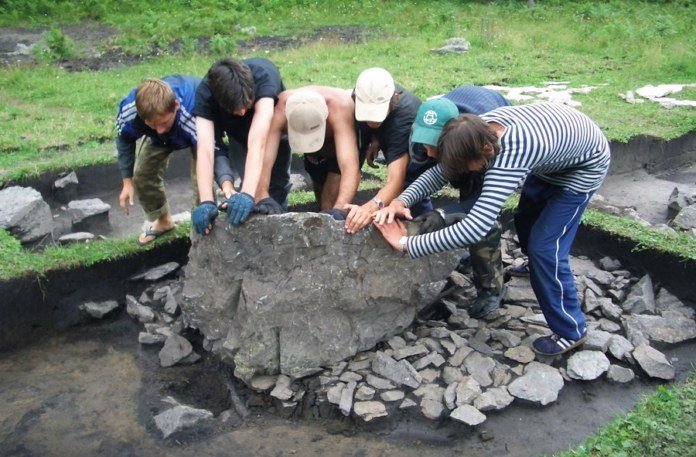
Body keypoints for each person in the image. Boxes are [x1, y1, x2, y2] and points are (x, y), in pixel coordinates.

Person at [374, 102, 611, 356]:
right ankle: (537, 267)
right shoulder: (471, 133)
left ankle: (570, 330)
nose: (462, 173)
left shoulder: (512, 155)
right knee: (526, 220)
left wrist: (407, 244)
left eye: (465, 167)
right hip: (553, 159)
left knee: (546, 247)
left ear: (487, 150)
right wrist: (401, 201)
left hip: (582, 167)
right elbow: (440, 173)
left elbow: (476, 226)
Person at [372, 87, 511, 318]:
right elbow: (423, 177)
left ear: (449, 139)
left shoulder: (482, 143)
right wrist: (401, 204)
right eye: (424, 143)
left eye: (434, 145)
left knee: (475, 219)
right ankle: (449, 251)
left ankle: (491, 288)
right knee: (432, 207)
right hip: (460, 139)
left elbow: (479, 213)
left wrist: (440, 218)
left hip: (480, 152)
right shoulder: (422, 137)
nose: (428, 151)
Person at [190, 57, 291, 235]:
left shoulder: (263, 78)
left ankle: (281, 228)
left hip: (271, 130)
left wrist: (249, 194)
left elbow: (258, 141)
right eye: (236, 109)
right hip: (237, 134)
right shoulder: (205, 94)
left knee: (276, 187)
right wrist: (206, 200)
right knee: (248, 188)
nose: (243, 112)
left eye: (246, 105)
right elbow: (205, 149)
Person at [116, 75, 201, 246]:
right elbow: (124, 139)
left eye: (163, 123)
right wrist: (127, 182)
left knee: (202, 181)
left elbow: (208, 157)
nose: (160, 130)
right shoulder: (131, 110)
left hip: (195, 129)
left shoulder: (193, 112)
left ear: (175, 107)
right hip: (160, 135)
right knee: (143, 175)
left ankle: (201, 225)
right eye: (152, 124)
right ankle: (163, 221)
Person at [263, 86, 369, 219]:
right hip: (317, 153)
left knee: (329, 205)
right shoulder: (279, 110)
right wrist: (261, 196)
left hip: (340, 145)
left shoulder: (340, 108)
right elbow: (265, 160)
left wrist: (340, 207)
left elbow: (349, 167)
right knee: (321, 198)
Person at [344, 67, 427, 234]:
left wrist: (369, 209)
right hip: (384, 128)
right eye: (367, 115)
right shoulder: (359, 97)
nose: (372, 121)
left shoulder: (405, 116)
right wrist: (376, 136)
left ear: (393, 100)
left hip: (414, 148)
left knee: (411, 184)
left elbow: (395, 180)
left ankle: (420, 228)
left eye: (377, 115)